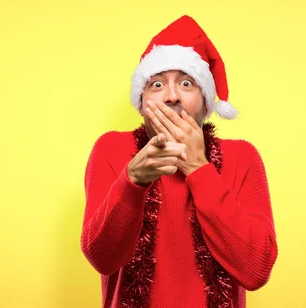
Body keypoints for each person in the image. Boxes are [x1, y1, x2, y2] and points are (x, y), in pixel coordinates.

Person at [81, 15, 278, 308]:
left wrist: (199, 168)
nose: (172, 96)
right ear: (142, 101)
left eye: (186, 83)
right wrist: (132, 181)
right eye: (157, 84)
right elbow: (102, 258)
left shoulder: (242, 158)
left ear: (205, 100)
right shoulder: (112, 150)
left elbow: (256, 270)